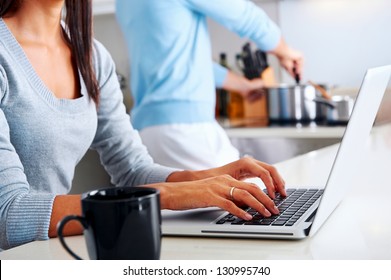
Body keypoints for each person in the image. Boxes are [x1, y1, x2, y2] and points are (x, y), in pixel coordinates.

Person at [0, 0, 286, 250]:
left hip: (42, 254)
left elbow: (132, 170)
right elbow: (9, 214)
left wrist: (205, 178)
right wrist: (168, 196)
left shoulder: (92, 56)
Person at [115, 0, 304, 170]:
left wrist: (242, 86)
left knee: (180, 209)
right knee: (247, 198)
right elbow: (244, 16)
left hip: (146, 131)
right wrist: (285, 51)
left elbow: (185, 62)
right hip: (186, 131)